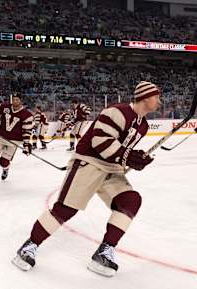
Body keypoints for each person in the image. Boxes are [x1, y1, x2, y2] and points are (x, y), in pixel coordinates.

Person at [12, 81, 160, 277]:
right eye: (156, 96)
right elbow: (100, 142)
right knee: (65, 209)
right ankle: (29, 246)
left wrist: (137, 160)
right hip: (88, 162)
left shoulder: (143, 126)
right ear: (145, 97)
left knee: (130, 200)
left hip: (112, 169)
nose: (159, 100)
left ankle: (104, 251)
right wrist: (128, 156)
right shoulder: (117, 112)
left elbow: (120, 153)